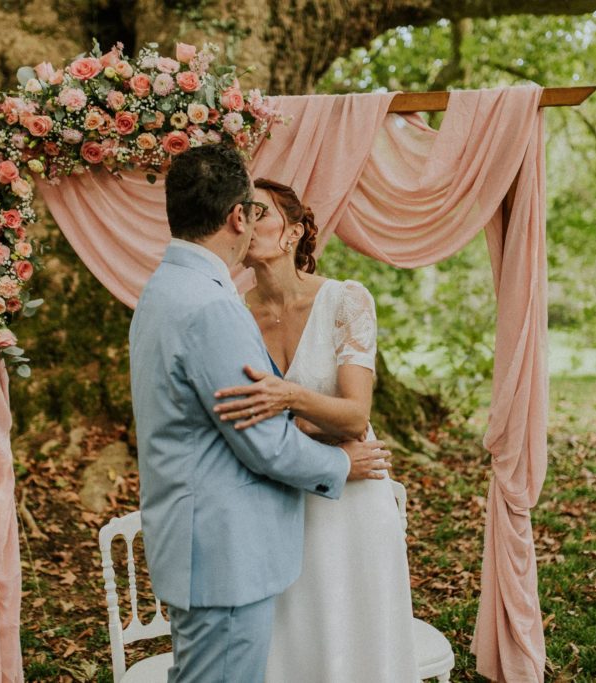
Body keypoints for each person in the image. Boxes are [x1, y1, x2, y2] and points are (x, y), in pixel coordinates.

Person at [129, 146, 392, 683]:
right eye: (253, 209)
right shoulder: (214, 308)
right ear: (237, 217)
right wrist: (344, 465)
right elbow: (264, 442)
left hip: (205, 540)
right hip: (224, 552)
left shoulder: (162, 291)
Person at [213, 178, 419, 682]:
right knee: (292, 644)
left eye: (259, 213)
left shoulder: (346, 301)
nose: (246, 223)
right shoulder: (233, 314)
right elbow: (239, 421)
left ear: (294, 232)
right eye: (239, 214)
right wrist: (309, 424)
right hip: (279, 496)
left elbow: (354, 415)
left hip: (352, 505)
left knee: (358, 645)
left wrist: (288, 401)